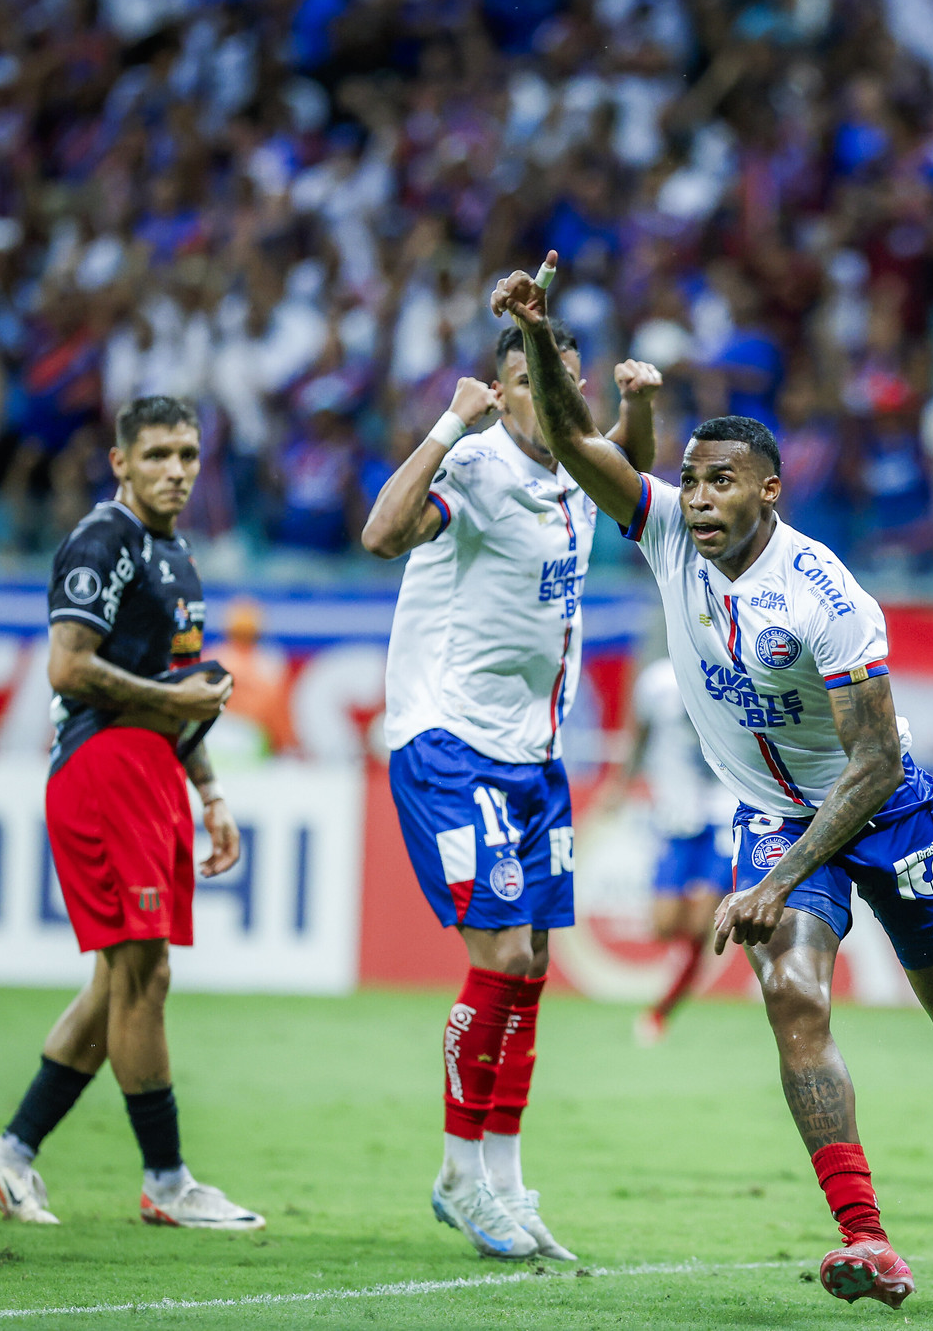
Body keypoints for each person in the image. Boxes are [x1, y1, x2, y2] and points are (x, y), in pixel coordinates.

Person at [495, 252, 933, 1310]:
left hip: (884, 809)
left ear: (769, 492)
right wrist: (538, 331)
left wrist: (775, 879)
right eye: (691, 480)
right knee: (792, 995)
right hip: (773, 814)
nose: (697, 499)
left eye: (721, 482)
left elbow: (874, 763)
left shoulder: (826, 594)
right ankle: (867, 1237)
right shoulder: (664, 535)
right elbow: (570, 440)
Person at [359, 323, 659, 1262]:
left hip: (537, 752)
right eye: (528, 383)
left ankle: (504, 1178)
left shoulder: (578, 465)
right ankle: (458, 1172)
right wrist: (448, 425)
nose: (548, 401)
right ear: (500, 390)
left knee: (531, 965)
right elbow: (380, 535)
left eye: (564, 384)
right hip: (451, 742)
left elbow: (632, 467)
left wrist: (638, 405)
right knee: (502, 951)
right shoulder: (478, 465)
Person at [0, 396, 262, 1231]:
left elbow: (179, 696)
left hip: (154, 770)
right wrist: (172, 700)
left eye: (189, 454)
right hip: (103, 765)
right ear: (120, 462)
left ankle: (11, 1154)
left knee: (122, 980)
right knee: (142, 975)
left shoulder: (178, 557)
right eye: (158, 454)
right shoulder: (104, 540)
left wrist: (211, 793)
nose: (177, 470)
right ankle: (166, 1181)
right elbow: (68, 667)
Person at [606, 656, 738, 1045]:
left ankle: (662, 1011)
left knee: (702, 922)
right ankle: (678, 976)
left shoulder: (732, 673)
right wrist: (620, 785)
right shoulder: (656, 681)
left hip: (723, 813)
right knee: (663, 923)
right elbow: (639, 738)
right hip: (675, 816)